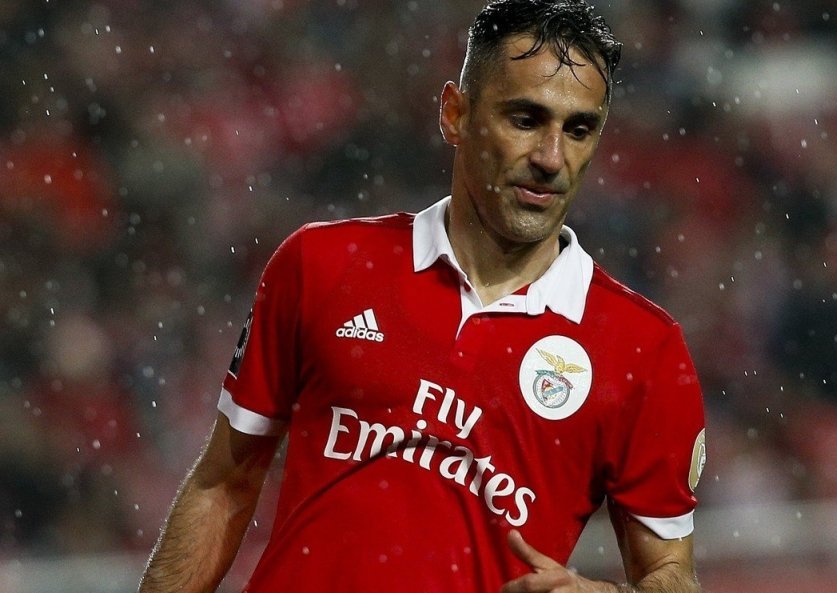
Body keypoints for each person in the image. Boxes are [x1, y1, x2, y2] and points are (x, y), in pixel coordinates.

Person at [138, 1, 706, 592]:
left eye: (579, 129)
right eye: (525, 119)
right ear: (455, 114)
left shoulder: (643, 349)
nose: (551, 157)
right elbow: (223, 483)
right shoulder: (322, 264)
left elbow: (671, 574)